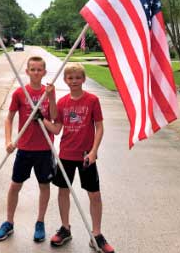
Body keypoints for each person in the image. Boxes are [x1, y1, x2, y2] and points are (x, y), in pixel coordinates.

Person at [43, 62, 115, 253]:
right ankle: (65, 228)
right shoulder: (63, 102)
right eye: (70, 78)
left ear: (83, 79)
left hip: (86, 156)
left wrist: (93, 151)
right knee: (63, 191)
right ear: (65, 80)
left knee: (95, 195)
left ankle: (97, 235)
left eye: (77, 78)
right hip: (66, 154)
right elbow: (57, 129)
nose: (74, 81)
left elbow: (99, 126)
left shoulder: (92, 100)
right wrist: (42, 120)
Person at [0, 56, 57, 243]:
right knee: (15, 186)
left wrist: (52, 96)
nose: (36, 72)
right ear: (27, 71)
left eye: (39, 69)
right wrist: (8, 141)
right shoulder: (20, 93)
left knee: (44, 186)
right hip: (24, 148)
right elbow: (9, 118)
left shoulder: (48, 92)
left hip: (44, 149)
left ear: (44, 72)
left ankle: (40, 222)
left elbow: (54, 116)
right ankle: (9, 222)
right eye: (33, 69)